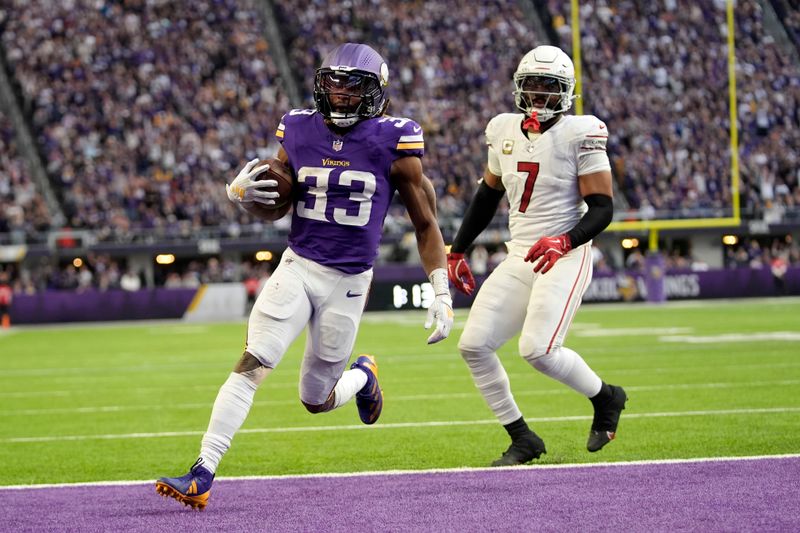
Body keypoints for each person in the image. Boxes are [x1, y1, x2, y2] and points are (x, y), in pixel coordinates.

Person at [156, 43, 454, 509]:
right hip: (298, 265)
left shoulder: (395, 140)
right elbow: (276, 202)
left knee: (315, 399)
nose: (338, 96)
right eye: (332, 85)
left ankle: (363, 377)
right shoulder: (297, 128)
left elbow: (425, 223)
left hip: (349, 281)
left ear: (374, 93)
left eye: (351, 88)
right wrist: (242, 194)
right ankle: (203, 471)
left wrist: (441, 289)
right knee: (253, 361)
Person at [446, 45, 626, 466]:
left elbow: (603, 208)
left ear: (566, 92)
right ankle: (523, 438)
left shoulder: (582, 132)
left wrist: (565, 240)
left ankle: (607, 397)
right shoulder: (503, 129)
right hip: (522, 254)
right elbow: (488, 194)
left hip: (566, 253)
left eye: (550, 87)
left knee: (538, 349)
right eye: (533, 86)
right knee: (473, 345)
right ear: (519, 88)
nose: (540, 95)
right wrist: (458, 249)